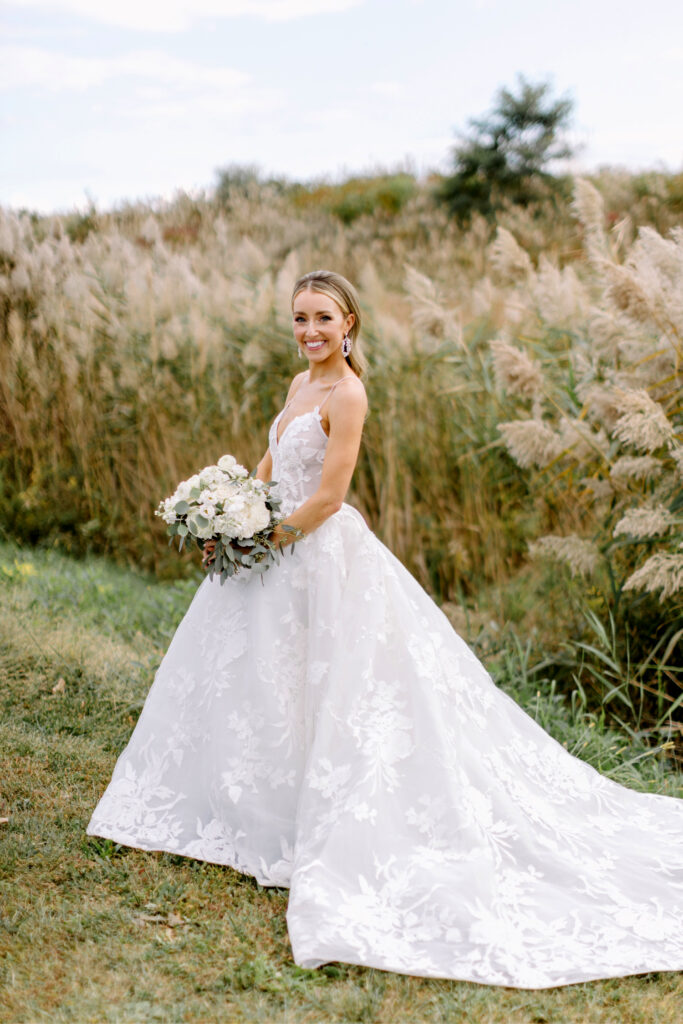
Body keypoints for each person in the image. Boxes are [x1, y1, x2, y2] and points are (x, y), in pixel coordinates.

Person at [88, 269, 683, 989]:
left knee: (338, 687)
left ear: (349, 325)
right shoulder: (295, 387)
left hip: (316, 556)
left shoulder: (348, 394)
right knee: (254, 685)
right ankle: (249, 813)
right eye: (299, 318)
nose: (309, 331)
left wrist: (259, 538)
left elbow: (330, 496)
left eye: (322, 319)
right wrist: (229, 509)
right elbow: (272, 464)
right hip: (268, 545)